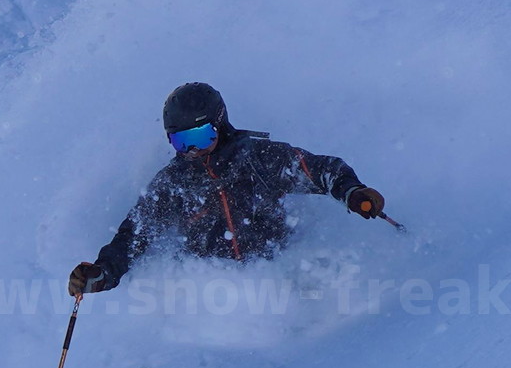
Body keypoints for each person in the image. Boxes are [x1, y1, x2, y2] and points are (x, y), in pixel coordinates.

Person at [68, 82, 386, 297]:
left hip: (282, 277)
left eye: (201, 137)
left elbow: (319, 170)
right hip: (217, 297)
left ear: (220, 125)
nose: (193, 150)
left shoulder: (260, 159)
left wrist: (353, 192)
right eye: (182, 142)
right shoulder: (172, 184)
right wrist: (103, 272)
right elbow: (134, 235)